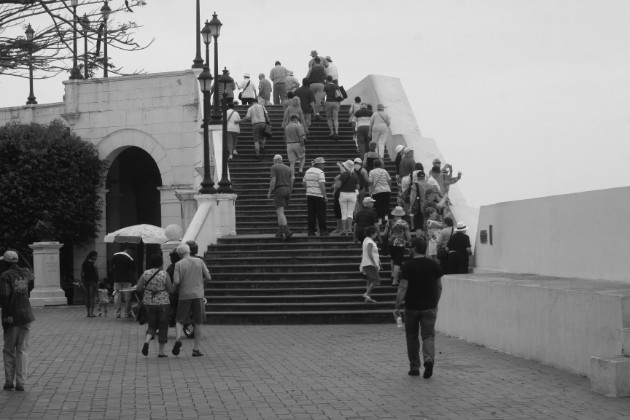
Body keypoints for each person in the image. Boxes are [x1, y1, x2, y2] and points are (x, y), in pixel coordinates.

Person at [394, 237, 443, 378]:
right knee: (428, 335)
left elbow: (403, 287)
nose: (409, 249)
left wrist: (397, 305)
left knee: (412, 337)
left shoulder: (408, 266)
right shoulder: (434, 265)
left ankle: (414, 367)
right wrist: (435, 302)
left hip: (411, 307)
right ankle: (428, 360)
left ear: (415, 249)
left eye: (410, 247)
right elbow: (439, 286)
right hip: (429, 306)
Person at [0, 250, 35, 391]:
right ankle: (21, 382)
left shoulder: (5, 276)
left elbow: (5, 296)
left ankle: (9, 381)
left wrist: (5, 318)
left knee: (9, 349)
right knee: (22, 349)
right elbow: (32, 273)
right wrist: (24, 257)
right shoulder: (25, 272)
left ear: (5, 262)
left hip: (12, 315)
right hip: (26, 314)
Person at [172, 243, 211, 357]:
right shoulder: (199, 261)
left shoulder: (178, 264)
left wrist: (173, 288)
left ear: (179, 253)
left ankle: (178, 338)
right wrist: (200, 283)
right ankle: (196, 349)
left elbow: (177, 281)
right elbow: (208, 277)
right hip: (197, 294)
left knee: (180, 319)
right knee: (198, 322)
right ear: (189, 251)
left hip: (184, 295)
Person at [137, 253, 174, 358]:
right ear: (161, 263)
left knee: (152, 325)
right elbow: (171, 290)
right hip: (163, 303)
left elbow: (139, 288)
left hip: (149, 303)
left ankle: (147, 341)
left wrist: (147, 289)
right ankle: (161, 352)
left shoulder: (145, 274)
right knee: (163, 326)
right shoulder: (164, 274)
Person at [383, 206, 411, 286]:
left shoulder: (389, 221)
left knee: (393, 258)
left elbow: (385, 233)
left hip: (391, 243)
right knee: (398, 262)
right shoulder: (404, 223)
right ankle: (395, 280)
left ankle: (392, 274)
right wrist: (409, 242)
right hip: (400, 243)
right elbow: (408, 235)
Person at [268, 154, 294, 240]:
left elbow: (273, 180)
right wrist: (290, 190)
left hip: (279, 189)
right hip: (287, 189)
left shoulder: (274, 167)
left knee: (280, 212)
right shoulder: (287, 168)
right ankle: (280, 231)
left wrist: (269, 192)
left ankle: (286, 231)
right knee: (280, 211)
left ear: (275, 160)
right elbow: (291, 180)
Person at [302, 157, 328, 236]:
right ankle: (323, 230)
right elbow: (321, 184)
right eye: (323, 164)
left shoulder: (308, 171)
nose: (324, 165)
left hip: (310, 195)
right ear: (319, 164)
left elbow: (303, 183)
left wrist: (309, 188)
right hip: (318, 195)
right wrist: (325, 196)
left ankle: (311, 231)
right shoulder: (320, 172)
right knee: (321, 214)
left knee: (311, 214)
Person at [335, 160, 359, 236]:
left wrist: (334, 186)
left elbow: (338, 185)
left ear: (346, 167)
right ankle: (349, 229)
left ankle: (344, 229)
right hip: (352, 194)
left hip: (343, 194)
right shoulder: (355, 175)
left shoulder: (343, 174)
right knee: (350, 212)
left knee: (343, 212)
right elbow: (358, 186)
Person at [111, 246, 136, 318]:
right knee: (127, 297)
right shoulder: (130, 258)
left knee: (117, 296)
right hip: (127, 280)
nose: (131, 254)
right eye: (131, 253)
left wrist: (115, 272)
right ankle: (127, 313)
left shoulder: (115, 255)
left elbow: (111, 266)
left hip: (117, 279)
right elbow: (133, 269)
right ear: (129, 250)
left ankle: (117, 314)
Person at [359, 226, 381, 303]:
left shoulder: (368, 240)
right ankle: (367, 293)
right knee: (376, 279)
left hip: (368, 263)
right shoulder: (369, 242)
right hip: (369, 263)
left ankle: (368, 297)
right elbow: (369, 253)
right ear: (372, 233)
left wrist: (378, 261)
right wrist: (375, 263)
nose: (376, 235)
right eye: (375, 233)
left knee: (369, 280)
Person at [368, 158, 392, 225]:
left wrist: (370, 189)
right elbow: (389, 180)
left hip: (377, 191)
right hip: (386, 190)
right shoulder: (384, 171)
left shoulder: (371, 172)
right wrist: (388, 187)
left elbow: (370, 182)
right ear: (380, 164)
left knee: (378, 206)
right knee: (386, 205)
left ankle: (380, 220)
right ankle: (386, 219)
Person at [165, 249, 182, 328]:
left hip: (175, 292)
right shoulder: (184, 265)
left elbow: (166, 279)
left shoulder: (172, 267)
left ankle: (172, 319)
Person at [80, 250, 99, 318]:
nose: (96, 257)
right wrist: (97, 281)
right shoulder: (94, 263)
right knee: (92, 297)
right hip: (93, 281)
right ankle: (91, 313)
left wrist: (82, 281)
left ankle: (88, 313)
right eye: (96, 256)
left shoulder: (84, 263)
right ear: (92, 256)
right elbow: (96, 273)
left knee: (87, 297)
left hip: (85, 281)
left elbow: (81, 272)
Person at [323, 75, 340, 139]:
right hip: (336, 102)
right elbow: (338, 94)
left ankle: (332, 132)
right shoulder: (336, 85)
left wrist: (322, 102)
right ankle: (336, 132)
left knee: (329, 118)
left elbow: (324, 95)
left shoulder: (326, 86)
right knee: (335, 118)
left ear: (327, 80)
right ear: (332, 79)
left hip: (328, 102)